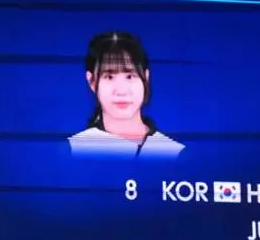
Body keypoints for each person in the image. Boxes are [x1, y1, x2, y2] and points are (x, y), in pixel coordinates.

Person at [67, 31, 183, 160]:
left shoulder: (175, 153)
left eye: (130, 76)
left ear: (146, 77)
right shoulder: (72, 151)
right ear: (92, 81)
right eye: (109, 77)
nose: (121, 91)